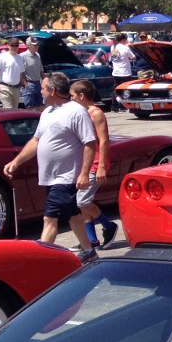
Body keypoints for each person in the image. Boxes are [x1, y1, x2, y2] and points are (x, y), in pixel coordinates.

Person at [2, 72, 98, 261]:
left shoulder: (76, 112)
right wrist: (16, 162)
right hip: (50, 177)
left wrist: (84, 173)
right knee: (73, 215)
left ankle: (40, 261)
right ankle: (89, 251)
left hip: (66, 177)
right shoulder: (47, 112)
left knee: (49, 218)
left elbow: (89, 143)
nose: (40, 92)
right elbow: (36, 141)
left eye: (43, 88)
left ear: (52, 90)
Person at [69, 79, 119, 250]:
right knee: (83, 200)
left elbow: (103, 141)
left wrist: (102, 166)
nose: (71, 98)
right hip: (83, 162)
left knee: (82, 201)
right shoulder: (79, 113)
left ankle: (108, 226)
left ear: (82, 96)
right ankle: (91, 239)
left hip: (95, 162)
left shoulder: (96, 113)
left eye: (72, 95)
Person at [0, 38, 25, 108]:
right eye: (12, 45)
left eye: (16, 45)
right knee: (8, 109)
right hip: (5, 87)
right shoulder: (1, 57)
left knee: (14, 111)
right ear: (8, 46)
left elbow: (21, 74)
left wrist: (25, 84)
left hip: (16, 88)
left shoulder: (20, 58)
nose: (14, 47)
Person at [108, 32, 134, 111]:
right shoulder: (125, 48)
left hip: (116, 72)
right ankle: (123, 106)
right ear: (123, 40)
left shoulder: (113, 47)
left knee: (115, 89)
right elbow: (133, 57)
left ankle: (114, 106)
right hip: (124, 72)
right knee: (124, 90)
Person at [20, 37, 44, 108]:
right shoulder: (22, 56)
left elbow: (41, 69)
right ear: (28, 45)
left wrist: (44, 81)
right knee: (29, 107)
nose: (37, 46)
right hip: (29, 84)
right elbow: (20, 71)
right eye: (35, 45)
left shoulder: (38, 55)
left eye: (38, 44)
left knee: (41, 106)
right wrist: (25, 83)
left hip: (38, 83)